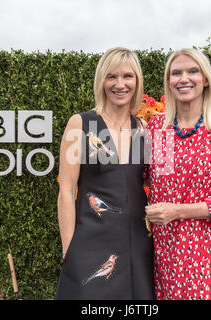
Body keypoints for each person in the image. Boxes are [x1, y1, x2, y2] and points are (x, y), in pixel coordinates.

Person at [145, 48, 211, 300]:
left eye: (193, 71)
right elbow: (150, 177)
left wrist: (178, 211)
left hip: (202, 255)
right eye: (176, 73)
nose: (184, 79)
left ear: (205, 80)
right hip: (164, 252)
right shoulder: (159, 128)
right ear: (169, 82)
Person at [55, 47, 154, 300]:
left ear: (137, 81)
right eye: (112, 76)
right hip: (91, 246)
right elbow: (66, 191)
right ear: (102, 80)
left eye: (127, 76)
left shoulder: (141, 129)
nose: (120, 84)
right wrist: (70, 251)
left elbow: (147, 183)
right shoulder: (81, 124)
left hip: (137, 247)